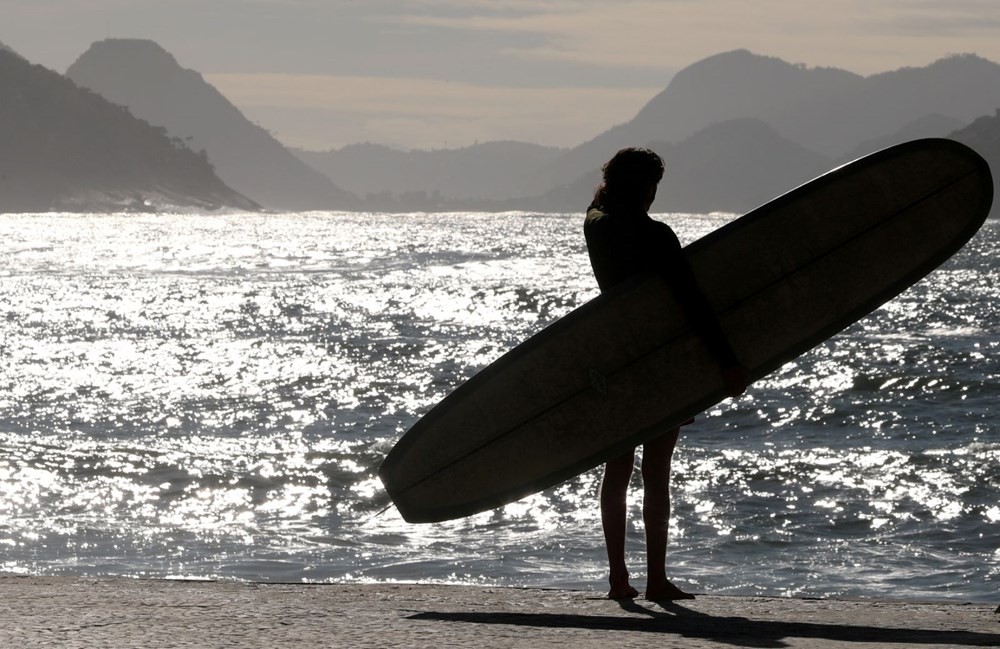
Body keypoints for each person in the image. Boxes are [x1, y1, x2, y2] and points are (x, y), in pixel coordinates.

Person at [584, 147, 747, 601]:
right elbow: (692, 302)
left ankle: (619, 579)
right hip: (659, 362)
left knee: (617, 469)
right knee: (657, 471)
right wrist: (726, 361)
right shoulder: (655, 234)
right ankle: (656, 579)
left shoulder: (595, 223)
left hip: (616, 359)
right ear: (646, 187)